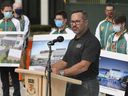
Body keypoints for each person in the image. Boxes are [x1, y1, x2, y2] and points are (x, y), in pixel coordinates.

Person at [51, 10, 101, 96]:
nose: (74, 24)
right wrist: (48, 68)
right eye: (72, 22)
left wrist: (61, 73)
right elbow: (64, 62)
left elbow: (83, 66)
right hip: (72, 83)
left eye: (77, 21)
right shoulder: (72, 41)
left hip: (86, 85)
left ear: (86, 22)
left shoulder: (92, 41)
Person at [0, 2, 21, 96]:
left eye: (10, 11)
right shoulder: (0, 23)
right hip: (2, 54)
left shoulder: (16, 22)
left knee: (14, 76)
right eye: (6, 11)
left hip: (13, 53)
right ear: (2, 11)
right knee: (4, 79)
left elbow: (20, 37)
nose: (8, 12)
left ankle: (17, 94)